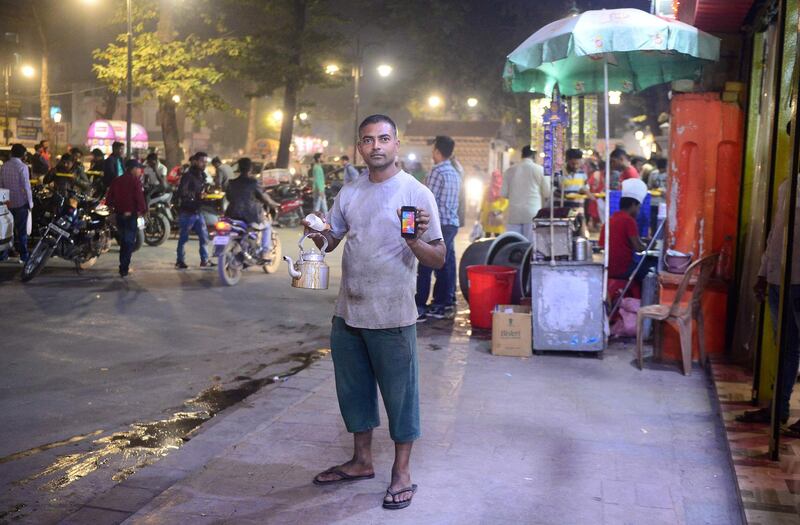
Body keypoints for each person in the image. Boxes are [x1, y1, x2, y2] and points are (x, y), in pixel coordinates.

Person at [307, 114, 444, 510]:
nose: (376, 146)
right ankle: (361, 460)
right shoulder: (349, 193)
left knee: (401, 397)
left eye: (384, 138)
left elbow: (438, 258)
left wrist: (414, 240)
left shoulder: (416, 194)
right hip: (348, 310)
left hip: (393, 314)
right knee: (354, 393)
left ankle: (401, 472)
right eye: (368, 140)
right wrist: (315, 231)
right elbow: (329, 241)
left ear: (397, 144)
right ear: (360, 147)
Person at [736, 177, 800, 434]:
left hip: (797, 279)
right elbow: (777, 231)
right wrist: (764, 272)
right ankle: (778, 408)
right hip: (778, 278)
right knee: (785, 347)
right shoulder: (788, 185)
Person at [415, 135, 461, 321]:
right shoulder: (455, 172)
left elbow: (427, 200)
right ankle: (444, 303)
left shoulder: (436, 172)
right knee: (447, 264)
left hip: (438, 225)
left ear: (437, 151)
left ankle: (420, 306)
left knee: (427, 264)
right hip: (451, 223)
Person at [225, 158, 280, 256]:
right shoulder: (253, 182)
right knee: (267, 226)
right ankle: (265, 251)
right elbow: (264, 197)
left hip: (232, 213)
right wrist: (273, 204)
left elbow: (229, 197)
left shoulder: (231, 182)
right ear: (250, 168)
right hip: (250, 215)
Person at [606, 178, 654, 282]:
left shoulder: (610, 219)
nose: (638, 211)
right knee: (651, 270)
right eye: (638, 207)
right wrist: (647, 245)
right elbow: (638, 248)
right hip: (622, 268)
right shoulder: (629, 221)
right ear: (633, 205)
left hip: (608, 267)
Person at [105, 159, 147, 277]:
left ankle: (123, 266)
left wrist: (113, 210)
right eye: (139, 168)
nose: (140, 171)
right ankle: (124, 267)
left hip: (119, 216)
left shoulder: (117, 181)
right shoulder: (135, 181)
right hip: (130, 216)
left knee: (124, 241)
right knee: (128, 242)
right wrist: (143, 211)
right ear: (133, 169)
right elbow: (139, 197)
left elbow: (109, 199)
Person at [501, 145, 551, 241]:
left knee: (514, 246)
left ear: (522, 155)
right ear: (534, 156)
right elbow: (547, 193)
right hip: (532, 214)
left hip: (513, 214)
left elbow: (503, 193)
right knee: (529, 247)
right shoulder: (540, 170)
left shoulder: (509, 170)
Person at [175, 152, 213, 269]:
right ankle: (180, 260)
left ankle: (204, 260)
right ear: (195, 161)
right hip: (187, 211)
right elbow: (182, 192)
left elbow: (203, 190)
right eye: (202, 161)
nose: (204, 164)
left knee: (204, 236)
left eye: (206, 162)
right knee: (183, 237)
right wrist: (197, 195)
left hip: (198, 210)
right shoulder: (188, 176)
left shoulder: (202, 175)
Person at [0, 144, 33, 263]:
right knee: (22, 232)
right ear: (23, 155)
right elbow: (26, 186)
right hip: (20, 203)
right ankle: (24, 256)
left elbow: (1, 185)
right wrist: (30, 203)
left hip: (7, 204)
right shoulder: (23, 167)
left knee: (7, 230)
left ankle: (3, 255)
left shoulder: (4, 166)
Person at [479, 169, 509, 237]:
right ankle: (489, 247)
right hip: (488, 213)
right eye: (494, 177)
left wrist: (500, 210)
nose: (495, 178)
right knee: (487, 234)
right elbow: (483, 199)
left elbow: (506, 202)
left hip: (496, 214)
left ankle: (495, 247)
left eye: (497, 176)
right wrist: (481, 209)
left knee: (497, 234)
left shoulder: (501, 189)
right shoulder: (487, 188)